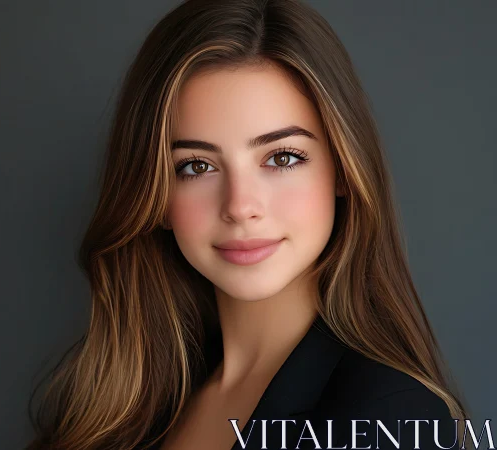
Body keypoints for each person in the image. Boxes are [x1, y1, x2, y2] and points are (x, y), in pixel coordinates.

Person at [25, 0, 470, 449]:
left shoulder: (388, 418)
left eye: (282, 158)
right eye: (196, 167)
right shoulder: (121, 409)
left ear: (342, 169)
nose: (240, 206)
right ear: (154, 195)